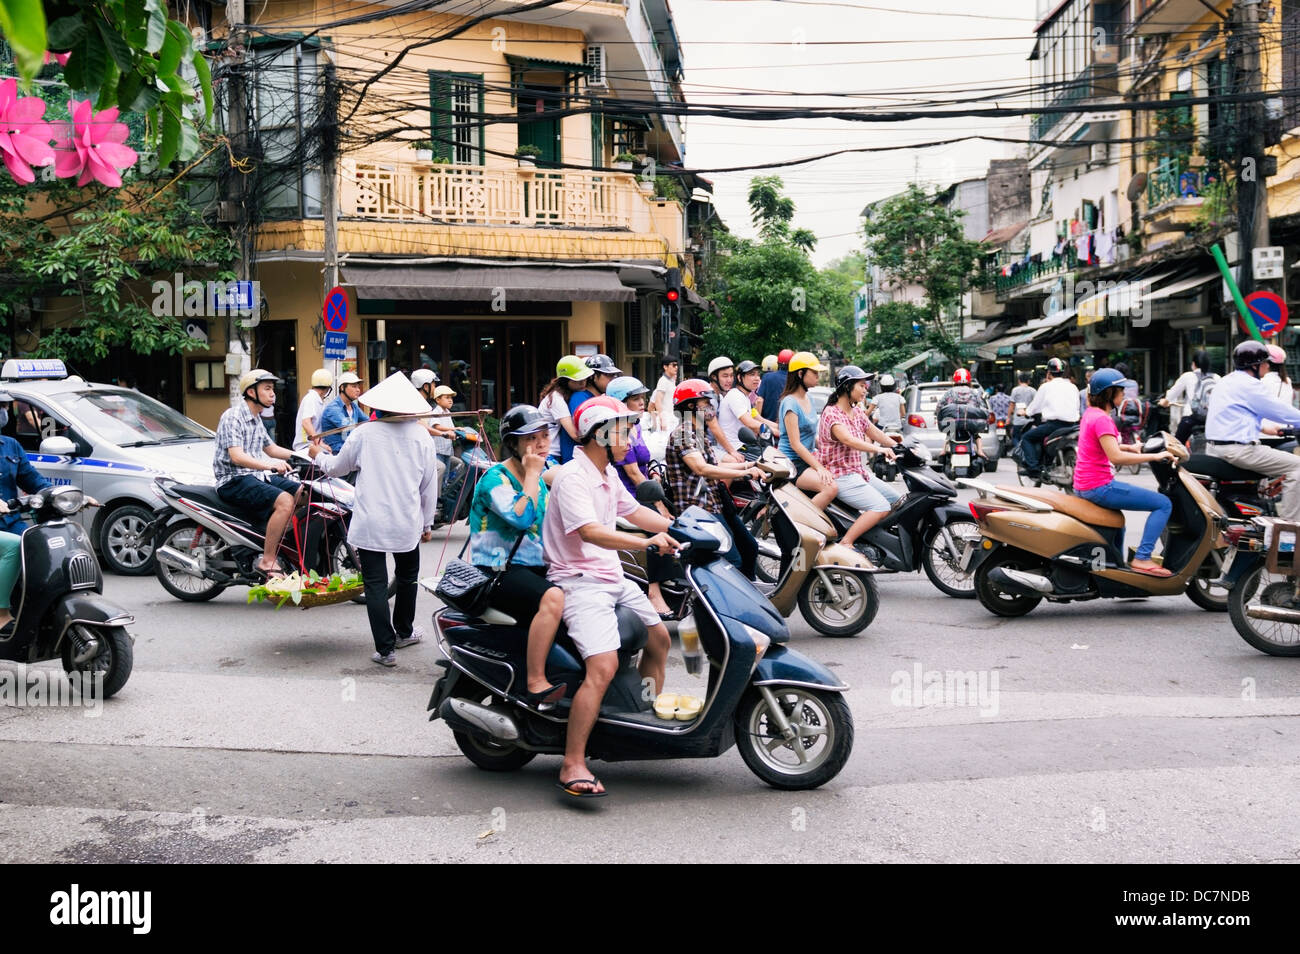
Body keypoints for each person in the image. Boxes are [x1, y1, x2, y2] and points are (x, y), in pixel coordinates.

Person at [545, 395, 678, 797]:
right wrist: (647, 544)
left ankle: (641, 719)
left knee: (660, 638)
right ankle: (573, 763)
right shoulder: (573, 477)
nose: (630, 438)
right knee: (601, 667)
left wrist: (680, 526)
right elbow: (591, 532)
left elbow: (636, 512)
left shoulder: (606, 473)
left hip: (610, 576)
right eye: (623, 431)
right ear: (601, 435)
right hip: (579, 580)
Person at [309, 373, 438, 667]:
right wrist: (427, 523)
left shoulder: (365, 433)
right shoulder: (421, 435)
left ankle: (386, 650)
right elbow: (429, 486)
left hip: (372, 521)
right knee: (407, 578)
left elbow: (336, 468)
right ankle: (403, 631)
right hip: (406, 521)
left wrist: (317, 454)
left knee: (377, 583)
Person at [465, 405, 566, 708]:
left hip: (531, 567)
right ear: (514, 444)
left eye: (545, 436)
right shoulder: (496, 479)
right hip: (495, 570)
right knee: (553, 599)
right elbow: (521, 518)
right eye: (531, 439)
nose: (541, 444)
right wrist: (534, 473)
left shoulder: (541, 478)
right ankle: (535, 681)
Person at [1075, 368, 1178, 577]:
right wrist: (1155, 457)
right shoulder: (1102, 419)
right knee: (1163, 504)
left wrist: (1131, 447)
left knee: (1118, 522)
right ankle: (1142, 558)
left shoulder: (1091, 414)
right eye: (1120, 391)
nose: (1123, 395)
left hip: (1084, 485)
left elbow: (1102, 445)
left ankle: (1117, 570)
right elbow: (1116, 458)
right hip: (1099, 487)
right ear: (1109, 393)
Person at [664, 379, 763, 578]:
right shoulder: (683, 434)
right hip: (698, 509)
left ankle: (751, 595)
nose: (711, 407)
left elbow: (715, 466)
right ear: (691, 406)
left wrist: (752, 465)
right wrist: (743, 473)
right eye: (706, 403)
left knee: (749, 547)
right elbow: (701, 468)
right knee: (731, 560)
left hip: (715, 503)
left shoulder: (697, 432)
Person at [213, 370, 301, 578]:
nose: (273, 394)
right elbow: (236, 456)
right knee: (285, 501)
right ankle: (267, 559)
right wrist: (268, 466)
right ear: (251, 392)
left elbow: (271, 449)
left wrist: (306, 456)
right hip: (233, 479)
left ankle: (276, 538)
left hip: (254, 477)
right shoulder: (233, 416)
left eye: (273, 389)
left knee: (303, 492)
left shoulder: (256, 418)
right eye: (267, 389)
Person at [1206, 340, 1300, 522]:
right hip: (1240, 450)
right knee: (1298, 466)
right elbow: (1281, 411)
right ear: (1255, 365)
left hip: (1217, 448)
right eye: (1265, 362)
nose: (1267, 366)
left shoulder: (1227, 381)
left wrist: (1264, 427)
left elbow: (1233, 413)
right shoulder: (1250, 385)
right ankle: (1290, 529)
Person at [817, 366, 895, 549]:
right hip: (840, 475)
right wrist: (880, 450)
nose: (865, 389)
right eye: (861, 385)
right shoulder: (831, 413)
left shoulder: (858, 411)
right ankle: (847, 542)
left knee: (897, 501)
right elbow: (848, 439)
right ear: (847, 387)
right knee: (881, 507)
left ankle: (873, 540)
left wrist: (898, 445)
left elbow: (874, 432)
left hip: (858, 474)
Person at [0, 428, 53, 634]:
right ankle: (2, 614)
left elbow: (33, 480)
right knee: (15, 546)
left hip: (11, 521)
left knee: (41, 544)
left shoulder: (10, 445)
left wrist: (67, 495)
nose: (2, 412)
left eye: (4, 407)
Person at [778, 350, 838, 509]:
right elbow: (795, 444)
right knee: (830, 488)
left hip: (807, 458)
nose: (818, 376)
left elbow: (812, 436)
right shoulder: (790, 403)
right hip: (792, 463)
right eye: (814, 372)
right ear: (800, 374)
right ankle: (802, 522)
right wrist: (819, 467)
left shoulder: (809, 397)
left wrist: (829, 450)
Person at [1020, 357, 1080, 478]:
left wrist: (1025, 412)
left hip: (1054, 426)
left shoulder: (1046, 387)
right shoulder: (1073, 387)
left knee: (1026, 438)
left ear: (1048, 372)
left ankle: (1034, 469)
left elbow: (1034, 407)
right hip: (1072, 426)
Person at [539, 356, 591, 464]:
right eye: (577, 380)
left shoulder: (568, 395)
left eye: (584, 378)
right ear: (564, 381)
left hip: (554, 452)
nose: (583, 383)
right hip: (548, 454)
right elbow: (574, 434)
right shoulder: (556, 398)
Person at [936, 368, 991, 459]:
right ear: (969, 381)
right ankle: (980, 451)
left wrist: (938, 413)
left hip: (953, 423)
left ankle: (943, 450)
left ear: (954, 380)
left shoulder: (950, 392)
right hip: (971, 424)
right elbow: (983, 408)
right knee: (976, 435)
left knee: (950, 433)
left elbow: (940, 406)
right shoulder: (974, 392)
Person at [1159, 351, 1210, 435]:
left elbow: (1172, 394)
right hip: (1211, 419)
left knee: (1178, 444)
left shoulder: (1188, 376)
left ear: (1193, 364)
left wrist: (1164, 401)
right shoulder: (1216, 378)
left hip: (1191, 417)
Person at [317, 371, 367, 454]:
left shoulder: (354, 406)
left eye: (358, 387)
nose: (358, 390)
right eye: (354, 386)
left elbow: (368, 421)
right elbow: (348, 429)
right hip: (336, 452)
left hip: (350, 450)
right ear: (342, 388)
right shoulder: (333, 408)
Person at [705, 356, 744, 461]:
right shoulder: (707, 399)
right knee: (735, 461)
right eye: (725, 376)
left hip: (714, 445)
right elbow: (714, 428)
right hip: (702, 447)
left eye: (731, 376)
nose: (730, 380)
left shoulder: (720, 397)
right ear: (713, 377)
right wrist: (732, 451)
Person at [412, 368, 457, 451]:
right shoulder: (415, 404)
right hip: (417, 449)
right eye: (433, 385)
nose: (434, 389)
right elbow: (421, 425)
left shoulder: (423, 404)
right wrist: (443, 434)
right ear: (426, 387)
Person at [733, 359, 778, 440]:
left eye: (758, 374)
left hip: (744, 445)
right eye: (752, 374)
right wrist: (779, 433)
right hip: (736, 447)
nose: (757, 378)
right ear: (739, 377)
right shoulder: (735, 395)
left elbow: (760, 419)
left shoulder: (746, 398)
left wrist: (783, 429)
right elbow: (751, 423)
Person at [292, 368, 333, 453]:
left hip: (312, 445)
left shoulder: (318, 400)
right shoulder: (311, 398)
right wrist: (319, 443)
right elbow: (306, 422)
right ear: (328, 388)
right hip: (306, 446)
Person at [1261, 344, 1294, 434]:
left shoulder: (1262, 382)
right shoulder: (1287, 381)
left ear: (1267, 364)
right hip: (1285, 430)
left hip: (1265, 432)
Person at [756, 349, 790, 430]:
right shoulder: (794, 380)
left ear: (778, 363)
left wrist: (757, 422)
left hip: (767, 426)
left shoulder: (767, 377)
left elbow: (759, 401)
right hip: (787, 427)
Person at [646, 354, 679, 433]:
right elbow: (658, 401)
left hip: (672, 419)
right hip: (666, 421)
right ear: (665, 367)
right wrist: (662, 419)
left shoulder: (670, 382)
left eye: (677, 365)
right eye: (674, 365)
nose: (676, 367)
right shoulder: (663, 381)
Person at [1009, 371, 1036, 450]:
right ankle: (1025, 450)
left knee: (1015, 437)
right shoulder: (1033, 391)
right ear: (1028, 381)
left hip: (1017, 420)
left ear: (1019, 381)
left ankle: (1019, 449)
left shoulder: (1015, 390)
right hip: (1029, 420)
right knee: (1028, 438)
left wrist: (1008, 418)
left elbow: (1012, 405)